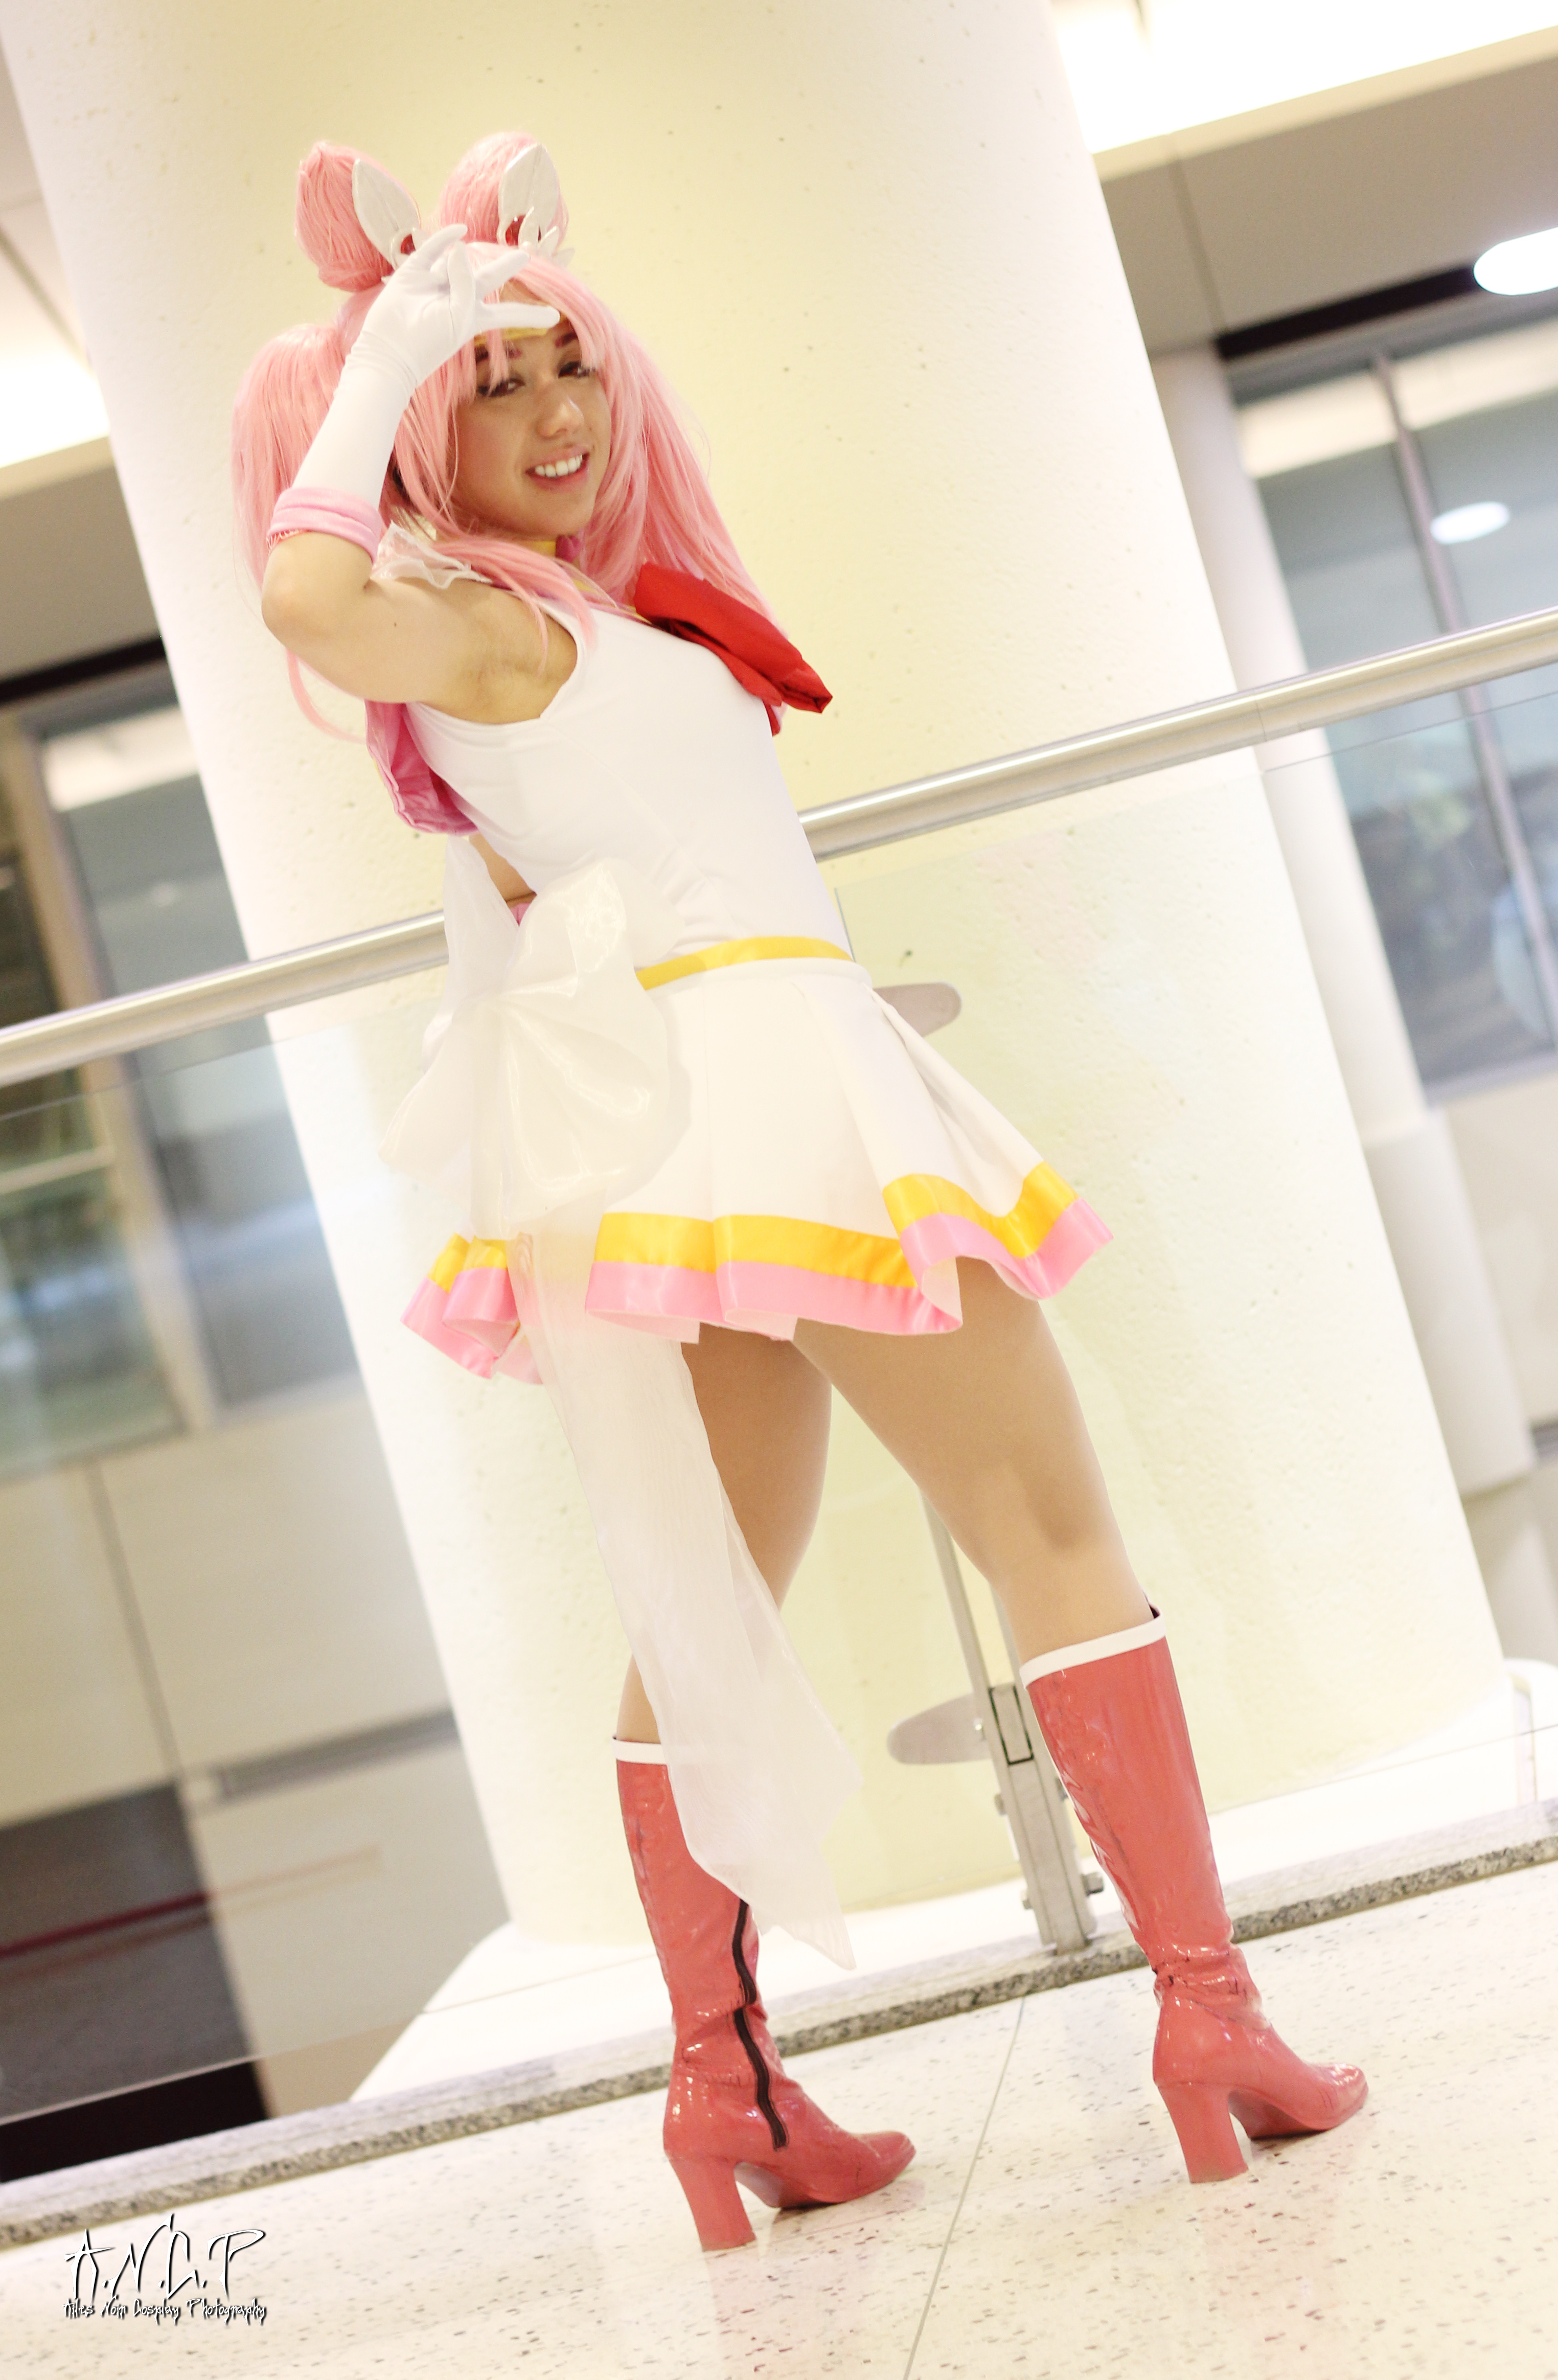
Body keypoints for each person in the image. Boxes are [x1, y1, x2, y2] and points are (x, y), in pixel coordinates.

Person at [233, 131, 1366, 2253]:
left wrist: (427, 368)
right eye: (495, 383)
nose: (556, 413)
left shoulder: (550, 613)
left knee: (710, 1609)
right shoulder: (472, 619)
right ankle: (1213, 2020)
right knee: (1049, 1529)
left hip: (690, 1127)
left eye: (569, 363)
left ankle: (725, 2092)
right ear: (408, 428)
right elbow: (299, 593)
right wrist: (381, 361)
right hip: (776, 1085)